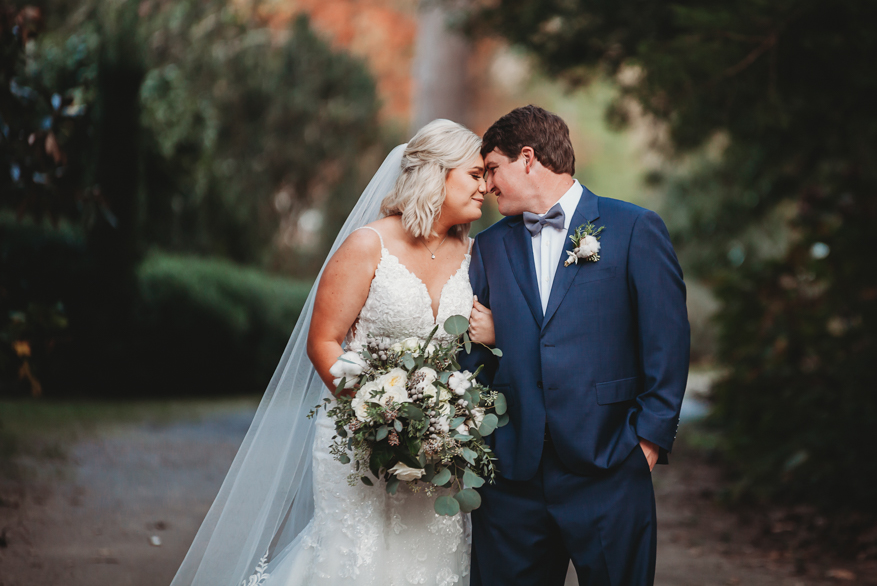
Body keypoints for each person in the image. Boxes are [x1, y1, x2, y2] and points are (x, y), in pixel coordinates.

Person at [170, 119, 492, 586]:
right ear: (437, 174)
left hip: (437, 448)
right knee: (351, 561)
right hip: (358, 434)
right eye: (475, 174)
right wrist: (376, 414)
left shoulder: (474, 255)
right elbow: (323, 341)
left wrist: (435, 425)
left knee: (428, 561)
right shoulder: (369, 245)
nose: (487, 187)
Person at [462, 105, 690, 586]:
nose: (485, 185)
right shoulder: (487, 247)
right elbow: (475, 360)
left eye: (491, 169)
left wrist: (646, 442)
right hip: (513, 481)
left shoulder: (633, 228)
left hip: (609, 465)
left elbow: (666, 342)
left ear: (527, 158)